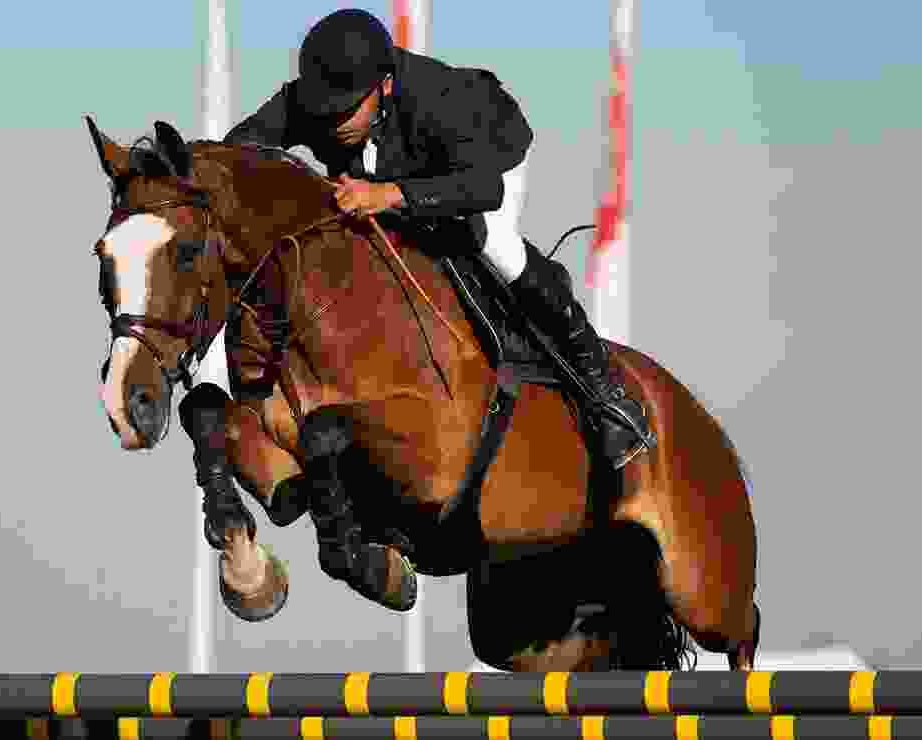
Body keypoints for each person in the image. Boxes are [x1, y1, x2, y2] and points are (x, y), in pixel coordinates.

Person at [223, 8, 654, 605]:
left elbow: (485, 189)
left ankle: (603, 390)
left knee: (495, 248)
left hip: (481, 169)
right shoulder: (315, 99)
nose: (333, 123)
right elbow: (237, 153)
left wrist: (390, 194)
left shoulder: (441, 100)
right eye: (324, 109)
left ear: (385, 85)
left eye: (346, 110)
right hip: (390, 186)